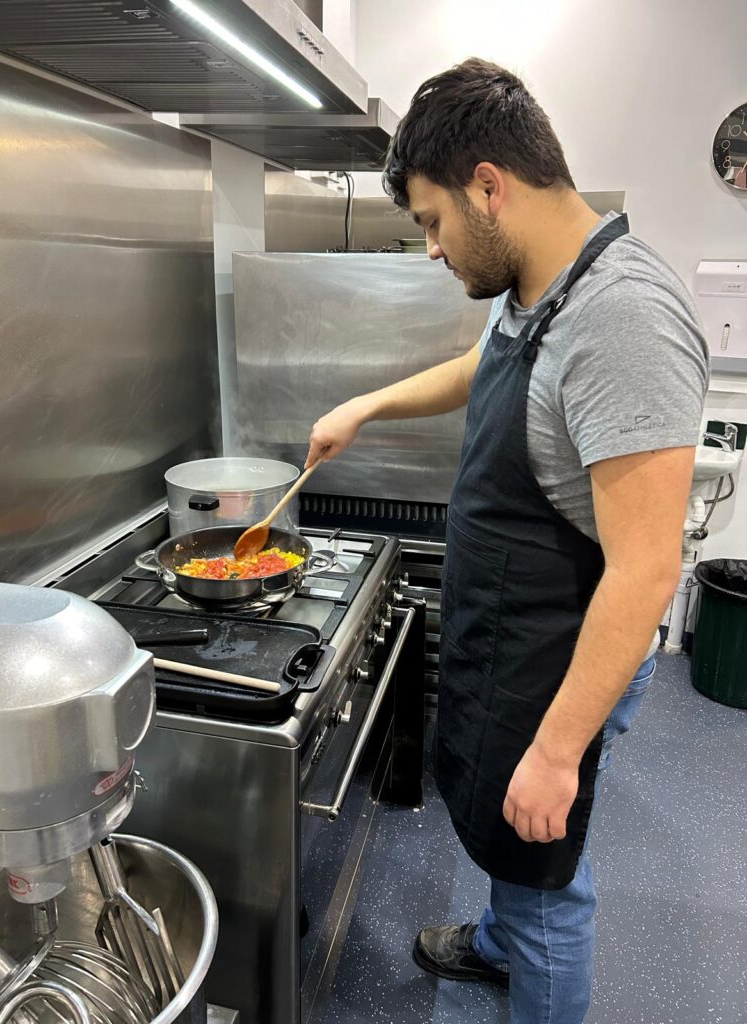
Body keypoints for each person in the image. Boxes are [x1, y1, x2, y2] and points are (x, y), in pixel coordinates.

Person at [305, 58, 708, 1024]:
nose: (435, 251)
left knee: (542, 865)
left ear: (490, 185)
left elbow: (650, 569)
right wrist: (366, 406)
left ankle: (523, 955)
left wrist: (558, 752)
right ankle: (494, 943)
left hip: (566, 653)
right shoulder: (544, 288)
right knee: (500, 828)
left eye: (435, 222)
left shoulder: (625, 320)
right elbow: (480, 364)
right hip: (513, 631)